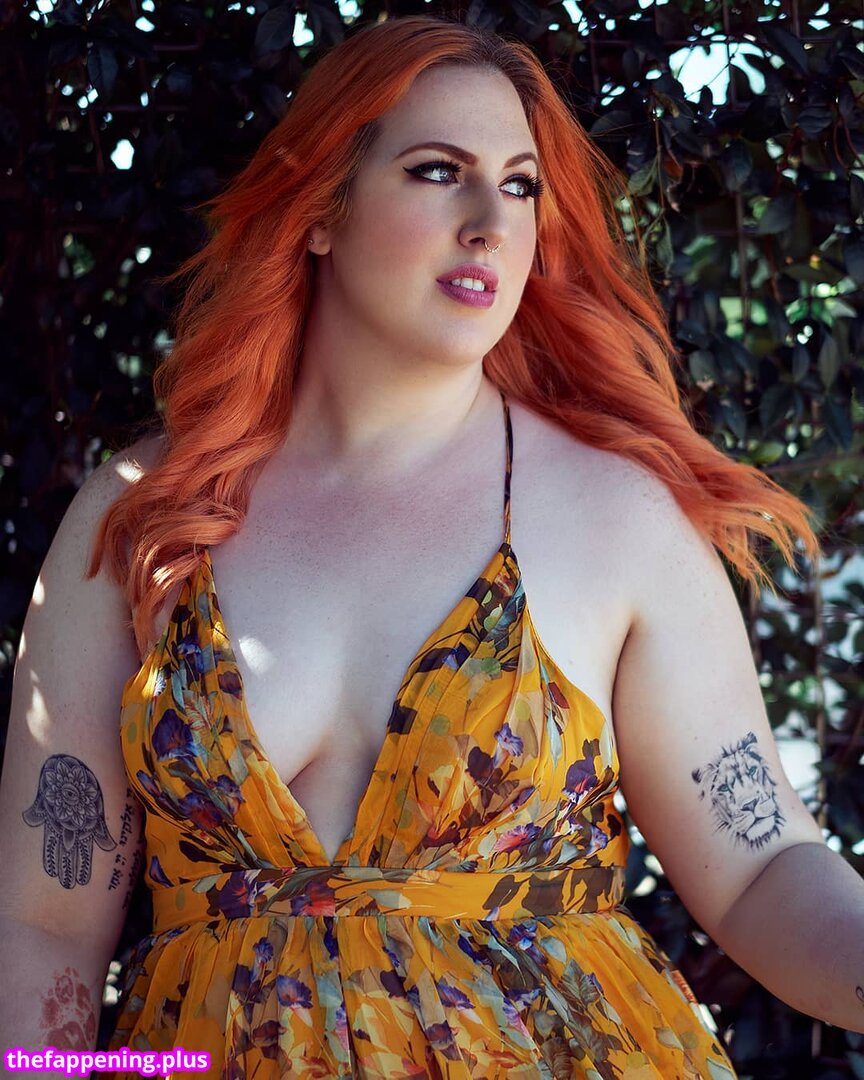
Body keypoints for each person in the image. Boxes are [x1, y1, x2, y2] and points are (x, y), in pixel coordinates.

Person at [1, 13, 862, 1079]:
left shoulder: (618, 518)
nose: (490, 223)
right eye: (438, 171)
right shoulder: (143, 516)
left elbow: (763, 867)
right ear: (322, 208)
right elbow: (46, 921)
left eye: (519, 186)